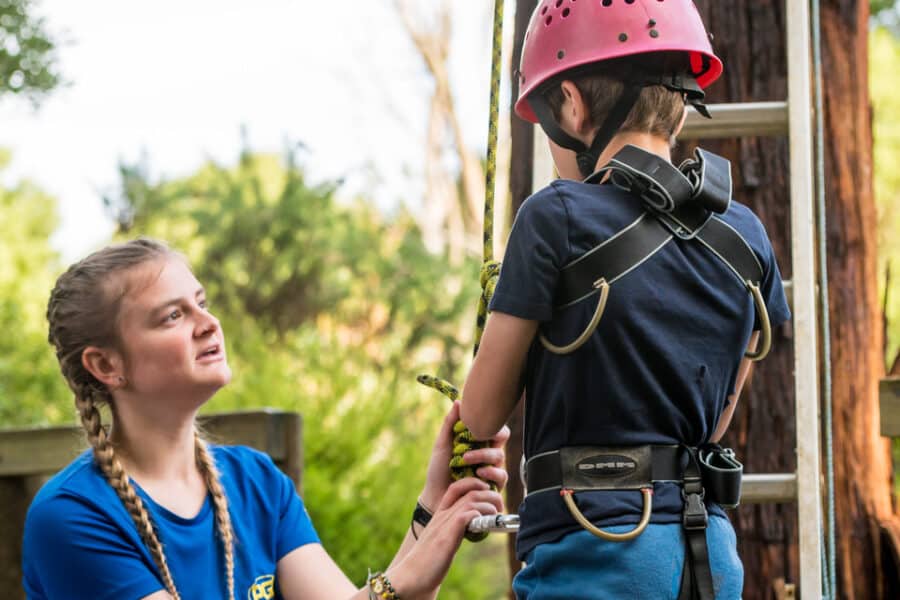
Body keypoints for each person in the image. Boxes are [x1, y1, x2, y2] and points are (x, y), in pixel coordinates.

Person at [458, 1, 790, 599]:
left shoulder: (554, 216)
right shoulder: (748, 238)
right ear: (683, 105)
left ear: (572, 105)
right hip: (710, 560)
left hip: (597, 557)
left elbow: (481, 416)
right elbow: (712, 424)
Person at [22, 237, 509, 600]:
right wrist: (396, 586)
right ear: (107, 366)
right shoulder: (72, 518)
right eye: (173, 316)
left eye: (202, 303)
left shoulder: (254, 482)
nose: (208, 323)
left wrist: (435, 503)